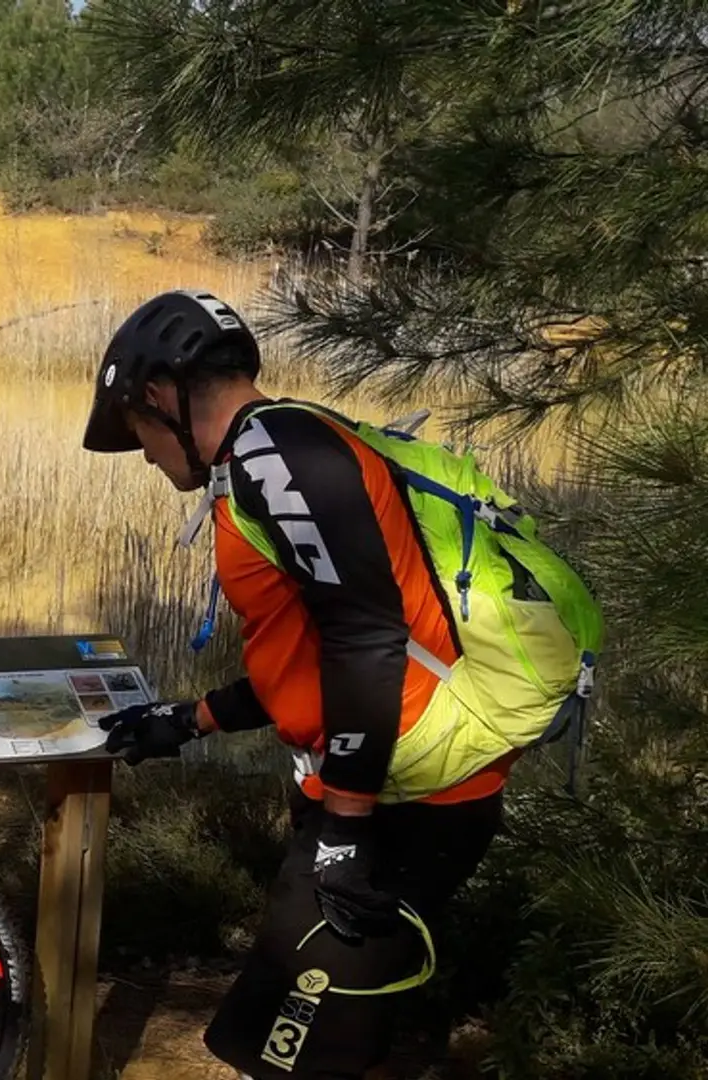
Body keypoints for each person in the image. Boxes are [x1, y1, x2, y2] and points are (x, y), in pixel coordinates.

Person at [81, 289, 510, 1079]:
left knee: (287, 1054)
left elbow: (367, 639)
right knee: (313, 1037)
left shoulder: (277, 456)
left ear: (158, 395)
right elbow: (315, 656)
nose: (143, 452)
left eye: (136, 430)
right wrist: (192, 719)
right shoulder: (277, 453)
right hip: (376, 793)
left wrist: (345, 831)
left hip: (398, 807)